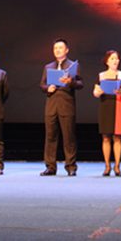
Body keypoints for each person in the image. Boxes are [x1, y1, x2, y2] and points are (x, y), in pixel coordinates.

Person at [40, 38, 83, 176]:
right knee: (50, 137)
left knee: (69, 137)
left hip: (66, 105)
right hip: (51, 105)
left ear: (66, 50)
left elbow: (80, 84)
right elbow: (42, 84)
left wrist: (70, 82)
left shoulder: (73, 65)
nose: (57, 50)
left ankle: (71, 166)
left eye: (60, 48)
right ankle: (50, 167)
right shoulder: (48, 67)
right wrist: (47, 88)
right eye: (55, 48)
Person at [93, 50, 121, 176]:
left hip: (119, 105)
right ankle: (107, 166)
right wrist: (100, 91)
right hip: (105, 106)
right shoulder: (101, 75)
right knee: (106, 137)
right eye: (112, 58)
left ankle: (117, 166)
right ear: (107, 61)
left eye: (117, 58)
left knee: (118, 137)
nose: (115, 61)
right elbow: (95, 92)